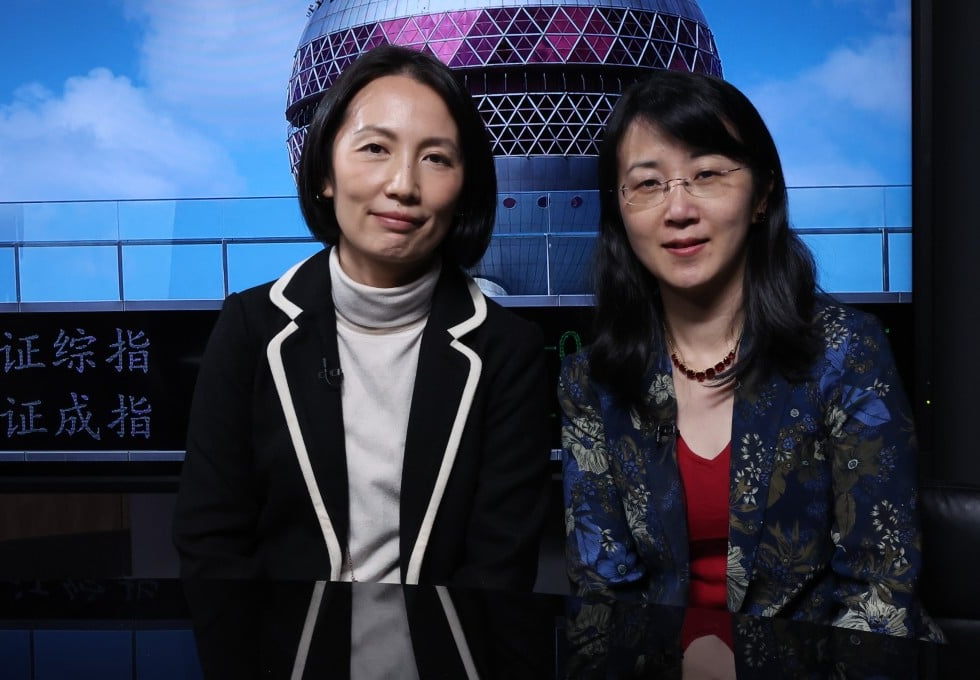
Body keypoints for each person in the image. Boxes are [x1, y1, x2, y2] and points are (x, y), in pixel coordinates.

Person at [559, 68, 942, 645]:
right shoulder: (591, 380)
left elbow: (880, 592)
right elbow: (602, 597)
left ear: (762, 194)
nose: (678, 209)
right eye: (647, 184)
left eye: (707, 174)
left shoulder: (845, 352)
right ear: (619, 214)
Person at [174, 44, 550, 591]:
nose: (402, 185)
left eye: (436, 158)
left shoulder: (507, 349)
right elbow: (211, 544)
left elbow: (500, 568)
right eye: (375, 147)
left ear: (466, 188)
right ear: (325, 171)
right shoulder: (250, 328)